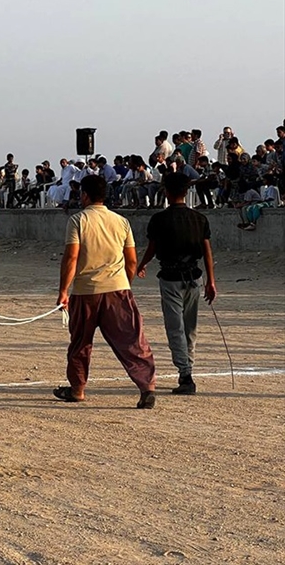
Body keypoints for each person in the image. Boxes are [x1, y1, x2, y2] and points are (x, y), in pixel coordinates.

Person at [55, 175, 157, 408]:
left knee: (80, 342)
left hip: (85, 291)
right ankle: (146, 387)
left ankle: (78, 389)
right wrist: (124, 283)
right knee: (132, 340)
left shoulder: (78, 220)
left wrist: (63, 290)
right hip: (118, 289)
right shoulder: (121, 221)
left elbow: (71, 257)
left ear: (85, 195)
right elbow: (131, 261)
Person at [136, 173, 217, 396]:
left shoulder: (159, 219)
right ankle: (187, 368)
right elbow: (207, 251)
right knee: (190, 327)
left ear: (166, 192)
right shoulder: (200, 219)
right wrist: (211, 281)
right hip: (195, 277)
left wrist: (141, 265)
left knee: (175, 328)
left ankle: (185, 373)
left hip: (171, 279)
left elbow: (152, 248)